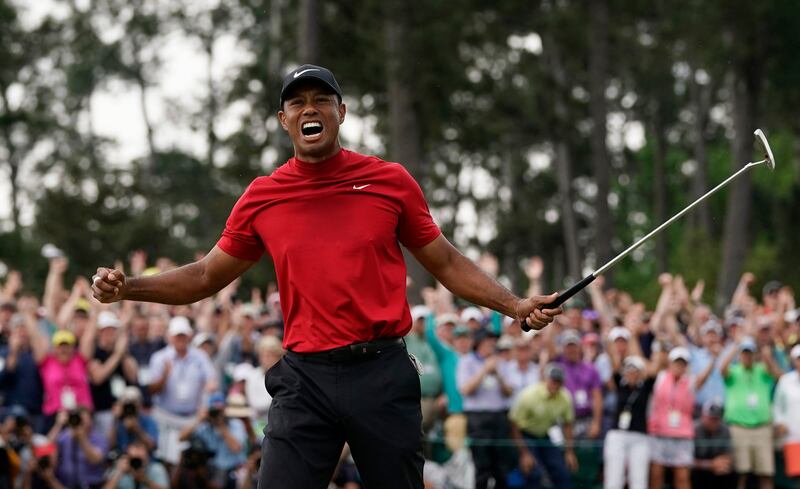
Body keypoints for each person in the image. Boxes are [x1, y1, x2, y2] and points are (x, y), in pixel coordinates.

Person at [91, 63, 563, 489]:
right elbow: (205, 276)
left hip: (381, 371)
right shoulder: (263, 196)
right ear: (283, 120)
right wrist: (129, 288)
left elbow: (445, 263)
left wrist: (516, 305)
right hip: (304, 380)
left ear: (341, 112)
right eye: (297, 102)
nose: (308, 109)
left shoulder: (389, 181)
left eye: (320, 100)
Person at [147, 316, 218, 466]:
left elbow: (212, 380)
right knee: (167, 461)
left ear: (189, 336)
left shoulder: (200, 356)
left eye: (183, 335)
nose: (180, 339)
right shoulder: (160, 358)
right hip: (166, 417)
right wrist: (164, 376)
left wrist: (210, 386)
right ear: (169, 337)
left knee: (193, 462)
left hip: (192, 418)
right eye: (177, 335)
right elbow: (152, 390)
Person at [720, 336, 782, 489]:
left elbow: (777, 374)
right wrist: (735, 346)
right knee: (741, 474)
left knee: (765, 473)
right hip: (739, 427)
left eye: (750, 353)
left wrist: (766, 355)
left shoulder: (762, 370)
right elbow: (722, 369)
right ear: (740, 355)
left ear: (755, 354)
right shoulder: (734, 372)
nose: (747, 356)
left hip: (762, 428)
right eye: (744, 353)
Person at [457, 328, 514, 489]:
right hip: (478, 419)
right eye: (488, 340)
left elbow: (509, 392)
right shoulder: (466, 361)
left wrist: (498, 375)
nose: (492, 344)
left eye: (493, 341)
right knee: (482, 466)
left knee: (501, 467)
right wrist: (484, 371)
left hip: (500, 417)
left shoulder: (500, 362)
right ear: (479, 342)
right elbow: (465, 390)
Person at [509, 364, 577, 489]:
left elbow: (567, 425)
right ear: (546, 379)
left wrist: (569, 452)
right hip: (524, 435)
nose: (555, 385)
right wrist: (524, 453)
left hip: (544, 435)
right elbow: (514, 425)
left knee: (562, 472)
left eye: (558, 382)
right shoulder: (529, 395)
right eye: (553, 381)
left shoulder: (565, 397)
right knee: (534, 473)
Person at [602, 356, 655, 489]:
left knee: (639, 480)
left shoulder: (645, 387)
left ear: (640, 373)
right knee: (614, 479)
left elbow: (654, 370)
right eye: (629, 369)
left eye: (635, 370)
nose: (631, 373)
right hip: (617, 435)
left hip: (639, 437)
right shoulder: (620, 384)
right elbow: (614, 361)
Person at [178, 393, 248, 489]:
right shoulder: (206, 426)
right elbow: (181, 438)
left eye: (220, 410)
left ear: (225, 410)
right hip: (209, 471)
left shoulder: (236, 424)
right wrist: (199, 419)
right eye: (214, 410)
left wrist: (221, 426)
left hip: (232, 471)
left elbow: (236, 448)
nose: (217, 414)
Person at [692, 401, 735, 487]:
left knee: (728, 471)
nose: (714, 422)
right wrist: (709, 465)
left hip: (718, 467)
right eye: (711, 418)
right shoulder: (694, 429)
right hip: (699, 469)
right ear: (703, 416)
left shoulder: (724, 429)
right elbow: (687, 461)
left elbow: (729, 455)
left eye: (717, 418)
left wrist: (724, 463)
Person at [774, 344, 800, 477]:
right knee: (796, 476)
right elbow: (777, 406)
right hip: (792, 437)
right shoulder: (785, 380)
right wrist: (780, 423)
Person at [102, 439, 170, 489]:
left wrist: (144, 480)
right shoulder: (121, 469)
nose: (136, 463)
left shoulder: (156, 469)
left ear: (147, 458)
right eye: (133, 459)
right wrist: (118, 473)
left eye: (139, 459)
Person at [108, 386, 158, 453]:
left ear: (140, 404)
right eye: (127, 402)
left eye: (134, 402)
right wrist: (115, 419)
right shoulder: (118, 421)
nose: (130, 406)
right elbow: (110, 445)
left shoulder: (148, 420)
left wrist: (137, 430)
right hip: (122, 460)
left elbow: (152, 446)